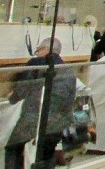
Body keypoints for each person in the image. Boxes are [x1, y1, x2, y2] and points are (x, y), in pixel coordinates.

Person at [6, 39, 76, 169]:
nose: (36, 54)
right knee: (46, 154)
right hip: (59, 124)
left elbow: (19, 92)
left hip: (34, 120)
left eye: (38, 50)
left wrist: (11, 97)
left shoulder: (37, 64)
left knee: (13, 148)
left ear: (45, 49)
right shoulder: (69, 70)